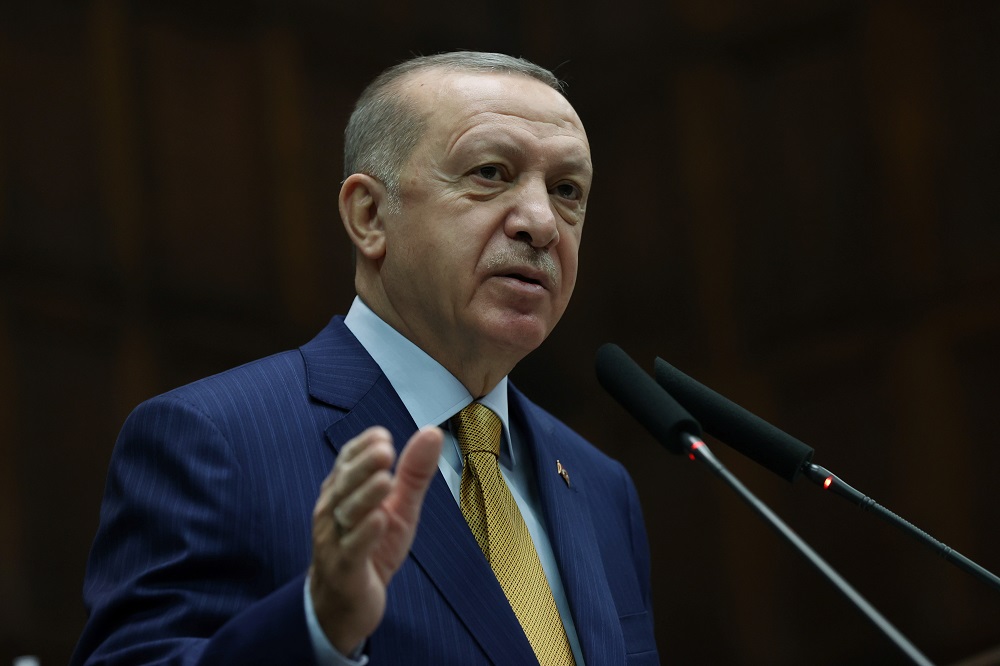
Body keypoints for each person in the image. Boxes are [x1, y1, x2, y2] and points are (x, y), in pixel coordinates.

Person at [72, 51, 659, 665]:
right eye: (490, 172)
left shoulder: (600, 485)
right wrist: (317, 628)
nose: (542, 222)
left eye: (567, 190)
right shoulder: (213, 438)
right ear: (369, 215)